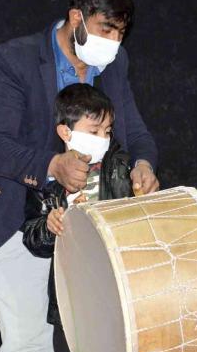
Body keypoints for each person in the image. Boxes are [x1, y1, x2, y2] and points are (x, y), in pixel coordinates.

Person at [0, 0, 159, 352]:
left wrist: (144, 165)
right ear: (76, 17)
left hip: (91, 225)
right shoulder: (10, 60)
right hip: (17, 216)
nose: (114, 42)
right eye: (106, 29)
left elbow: (135, 133)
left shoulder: (114, 63)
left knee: (102, 347)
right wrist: (53, 166)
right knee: (28, 350)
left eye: (120, 33)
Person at [22, 83, 133, 327]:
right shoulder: (46, 181)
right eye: (94, 131)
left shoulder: (122, 168)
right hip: (74, 291)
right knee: (75, 348)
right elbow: (32, 237)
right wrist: (49, 227)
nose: (103, 139)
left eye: (107, 131)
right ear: (65, 132)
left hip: (121, 284)